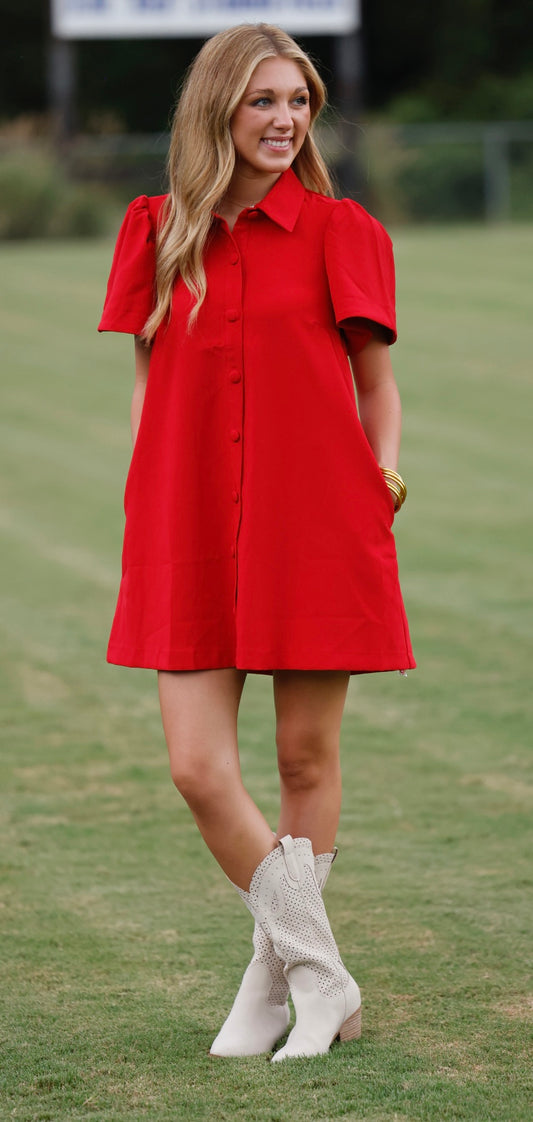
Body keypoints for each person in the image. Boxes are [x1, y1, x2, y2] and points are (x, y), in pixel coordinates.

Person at [98, 22, 415, 1061]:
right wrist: (145, 500)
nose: (285, 121)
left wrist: (382, 481)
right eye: (262, 102)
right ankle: (319, 976)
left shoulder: (342, 230)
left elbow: (374, 383)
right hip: (185, 521)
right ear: (216, 110)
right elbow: (149, 393)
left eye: (298, 102)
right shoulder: (153, 231)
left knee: (302, 756)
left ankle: (271, 993)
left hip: (315, 517)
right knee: (198, 768)